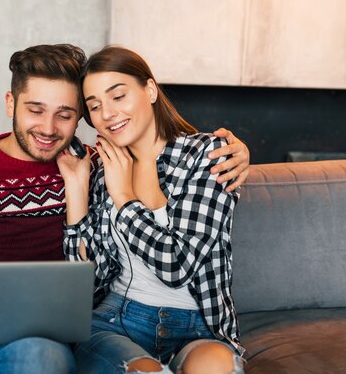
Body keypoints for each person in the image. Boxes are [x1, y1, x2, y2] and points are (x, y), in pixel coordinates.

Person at [0, 44, 250, 374]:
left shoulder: (88, 166)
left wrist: (240, 153)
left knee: (41, 361)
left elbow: (94, 270)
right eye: (35, 110)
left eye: (65, 114)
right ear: (11, 104)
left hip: (31, 327)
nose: (48, 128)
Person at [57, 46, 246, 374]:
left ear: (149, 90)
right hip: (116, 321)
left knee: (217, 369)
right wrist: (76, 193)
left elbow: (175, 267)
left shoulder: (206, 155)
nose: (109, 113)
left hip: (199, 325)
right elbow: (87, 286)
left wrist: (125, 199)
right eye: (95, 106)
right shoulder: (103, 167)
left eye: (118, 96)